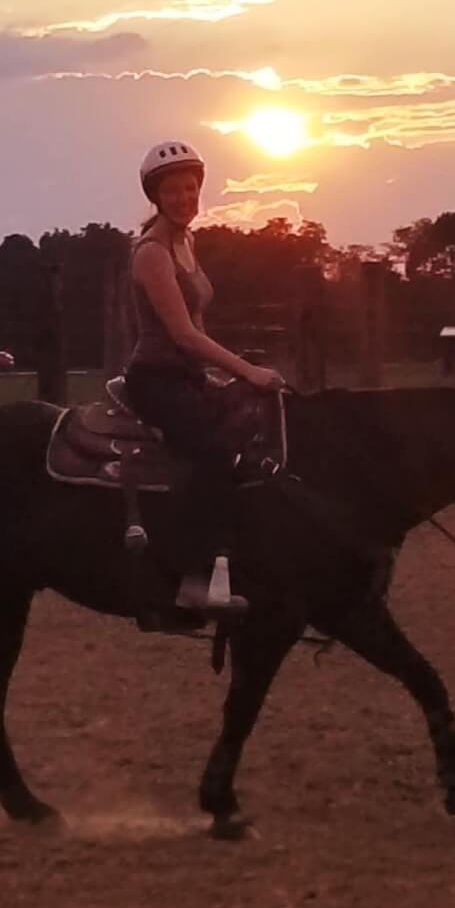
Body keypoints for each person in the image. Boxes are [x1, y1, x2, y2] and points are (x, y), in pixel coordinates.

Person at [123, 139, 287, 618]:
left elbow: (198, 325)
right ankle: (191, 580)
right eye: (173, 190)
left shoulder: (185, 242)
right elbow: (182, 333)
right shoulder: (152, 252)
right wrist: (247, 370)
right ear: (156, 195)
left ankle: (241, 554)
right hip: (156, 380)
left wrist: (215, 377)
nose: (184, 197)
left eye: (191, 187)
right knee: (216, 452)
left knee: (253, 433)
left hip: (186, 377)